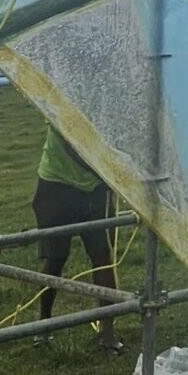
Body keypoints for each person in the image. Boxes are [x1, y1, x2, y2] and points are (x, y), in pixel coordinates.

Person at [31, 125, 122, 352]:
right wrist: (107, 174)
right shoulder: (59, 101)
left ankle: (107, 333)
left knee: (103, 256)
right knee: (56, 257)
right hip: (57, 186)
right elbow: (71, 143)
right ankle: (44, 325)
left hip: (96, 188)